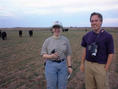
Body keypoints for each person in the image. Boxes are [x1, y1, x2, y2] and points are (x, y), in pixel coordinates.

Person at [80, 12, 114, 89]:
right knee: (89, 87)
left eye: (96, 20)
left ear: (101, 21)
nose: (94, 23)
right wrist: (82, 63)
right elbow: (84, 50)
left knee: (102, 87)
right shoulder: (86, 36)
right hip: (88, 65)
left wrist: (106, 68)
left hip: (101, 66)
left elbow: (111, 53)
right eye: (92, 21)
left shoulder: (108, 36)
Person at [41, 21, 73, 89]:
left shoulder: (65, 40)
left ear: (61, 29)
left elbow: (68, 54)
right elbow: (43, 54)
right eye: (55, 28)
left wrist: (69, 66)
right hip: (50, 65)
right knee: (51, 86)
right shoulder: (47, 41)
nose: (57, 29)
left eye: (58, 27)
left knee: (62, 86)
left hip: (63, 65)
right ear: (52, 29)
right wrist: (51, 56)